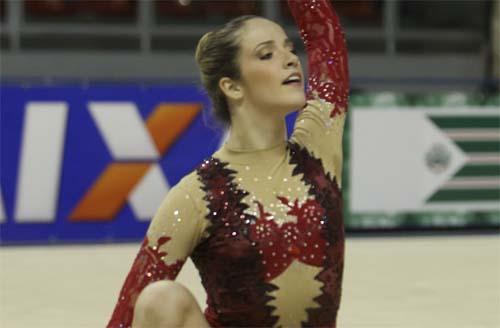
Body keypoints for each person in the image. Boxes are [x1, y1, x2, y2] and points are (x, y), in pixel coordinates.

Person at [107, 0, 349, 326]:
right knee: (159, 299)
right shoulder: (197, 195)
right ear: (232, 86)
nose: (292, 59)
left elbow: (326, 40)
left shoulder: (318, 148)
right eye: (267, 54)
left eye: (289, 49)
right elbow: (129, 312)